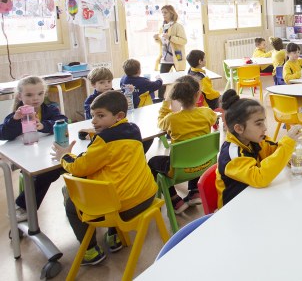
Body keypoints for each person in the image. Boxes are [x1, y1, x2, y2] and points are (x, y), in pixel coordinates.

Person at [51, 91, 157, 265]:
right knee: (115, 181)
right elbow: (115, 145)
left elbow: (78, 168)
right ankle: (114, 236)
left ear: (119, 116)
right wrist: (95, 134)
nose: (94, 121)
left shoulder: (103, 141)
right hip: (147, 197)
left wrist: (64, 155)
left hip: (123, 208)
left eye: (100, 116)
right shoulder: (133, 129)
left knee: (72, 204)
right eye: (93, 116)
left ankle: (90, 251)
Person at [215, 90, 302, 209]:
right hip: (234, 209)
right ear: (239, 129)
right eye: (258, 124)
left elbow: (275, 150)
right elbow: (260, 178)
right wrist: (287, 145)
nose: (265, 128)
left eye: (263, 122)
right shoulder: (232, 155)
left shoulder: (254, 139)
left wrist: (289, 158)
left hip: (254, 199)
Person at [1, 76, 67, 222]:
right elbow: (3, 134)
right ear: (19, 96)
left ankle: (71, 196)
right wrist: (15, 120)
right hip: (27, 159)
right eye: (29, 95)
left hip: (47, 156)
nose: (35, 98)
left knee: (55, 169)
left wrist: (43, 125)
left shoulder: (50, 110)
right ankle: (21, 206)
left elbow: (63, 121)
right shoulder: (16, 115)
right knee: (47, 172)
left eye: (40, 94)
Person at [149, 76, 217, 214]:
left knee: (152, 162)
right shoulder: (207, 113)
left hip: (180, 170)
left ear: (175, 97)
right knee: (196, 149)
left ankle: (175, 200)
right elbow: (214, 118)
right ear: (198, 94)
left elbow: (160, 122)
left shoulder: (171, 119)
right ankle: (195, 192)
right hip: (206, 164)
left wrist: (166, 102)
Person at [154, 5, 187, 99]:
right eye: (162, 12)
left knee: (181, 82)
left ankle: (184, 99)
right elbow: (163, 43)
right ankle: (160, 101)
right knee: (161, 81)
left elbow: (184, 41)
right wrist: (157, 39)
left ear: (171, 13)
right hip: (165, 58)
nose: (163, 14)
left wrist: (170, 37)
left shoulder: (178, 26)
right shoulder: (163, 27)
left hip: (177, 57)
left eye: (165, 12)